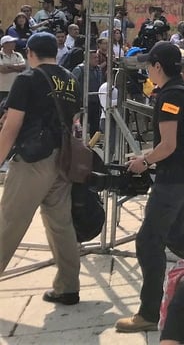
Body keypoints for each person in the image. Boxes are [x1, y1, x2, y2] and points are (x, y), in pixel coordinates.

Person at [116, 42, 184, 333]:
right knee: (177, 237)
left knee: (148, 242)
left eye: (148, 67)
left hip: (174, 181)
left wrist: (145, 160)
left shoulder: (169, 96)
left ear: (157, 66)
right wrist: (146, 156)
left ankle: (150, 313)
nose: (147, 73)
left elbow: (168, 145)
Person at [0, 33, 82, 304]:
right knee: (61, 224)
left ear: (31, 53)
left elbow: (11, 128)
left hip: (33, 162)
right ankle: (68, 287)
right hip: (63, 160)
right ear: (55, 53)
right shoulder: (71, 79)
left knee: (9, 222)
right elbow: (73, 121)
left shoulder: (27, 79)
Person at [0, 35, 26, 103]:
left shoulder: (18, 55)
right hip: (2, 89)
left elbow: (23, 66)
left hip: (16, 88)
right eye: (11, 42)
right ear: (4, 44)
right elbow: (2, 69)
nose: (14, 43)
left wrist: (8, 66)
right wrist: (17, 68)